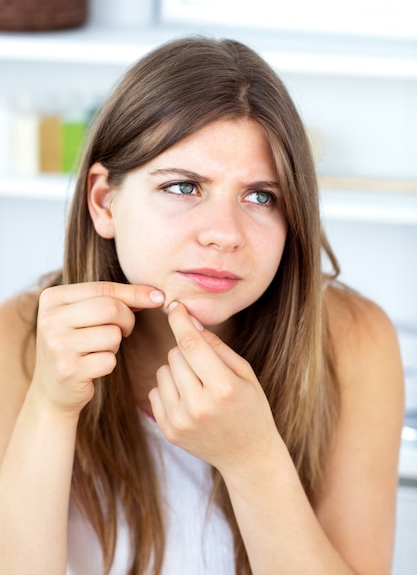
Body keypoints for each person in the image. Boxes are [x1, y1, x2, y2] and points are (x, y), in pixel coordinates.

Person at [0, 36, 404, 575]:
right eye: (185, 186)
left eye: (262, 196)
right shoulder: (18, 338)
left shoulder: (353, 339)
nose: (224, 234)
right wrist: (50, 408)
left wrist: (253, 460)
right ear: (104, 201)